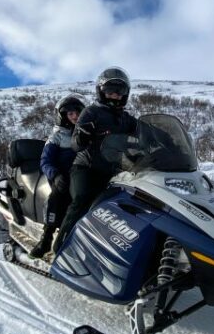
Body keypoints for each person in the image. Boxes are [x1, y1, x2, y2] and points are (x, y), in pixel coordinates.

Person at [52, 66, 138, 253]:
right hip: (86, 168)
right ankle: (61, 245)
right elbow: (75, 145)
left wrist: (162, 138)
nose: (115, 95)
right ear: (101, 91)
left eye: (119, 91)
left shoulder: (126, 118)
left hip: (113, 170)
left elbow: (143, 132)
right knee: (82, 199)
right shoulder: (91, 112)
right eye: (110, 91)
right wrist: (82, 135)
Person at [29, 93, 86, 258]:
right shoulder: (57, 136)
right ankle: (46, 238)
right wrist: (55, 175)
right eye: (71, 113)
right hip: (64, 177)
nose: (75, 116)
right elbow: (45, 161)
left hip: (83, 175)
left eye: (78, 112)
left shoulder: (86, 133)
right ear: (63, 116)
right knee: (56, 196)